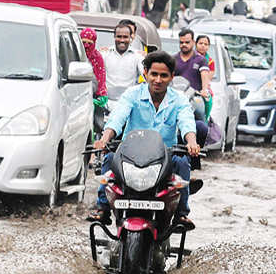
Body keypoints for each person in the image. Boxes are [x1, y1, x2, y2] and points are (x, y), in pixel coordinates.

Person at [89, 50, 200, 228]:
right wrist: (104, 139)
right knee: (109, 158)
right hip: (130, 155)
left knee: (182, 162)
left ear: (172, 77)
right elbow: (117, 117)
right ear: (145, 73)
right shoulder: (132, 94)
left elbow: (187, 121)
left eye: (163, 75)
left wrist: (192, 142)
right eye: (154, 74)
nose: (158, 80)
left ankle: (181, 213)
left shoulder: (179, 99)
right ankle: (102, 207)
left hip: (165, 157)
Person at [175, 28, 210, 152]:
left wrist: (205, 90)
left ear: (193, 42)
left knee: (201, 125)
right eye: (181, 42)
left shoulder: (200, 60)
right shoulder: (173, 59)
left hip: (194, 99)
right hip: (176, 98)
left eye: (187, 42)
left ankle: (197, 151)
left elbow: (205, 75)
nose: (184, 45)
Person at [102, 24, 144, 101]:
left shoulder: (138, 56)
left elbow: (146, 77)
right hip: (106, 102)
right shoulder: (104, 54)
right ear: (114, 37)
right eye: (119, 36)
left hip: (129, 103)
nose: (122, 40)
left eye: (125, 37)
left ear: (130, 38)